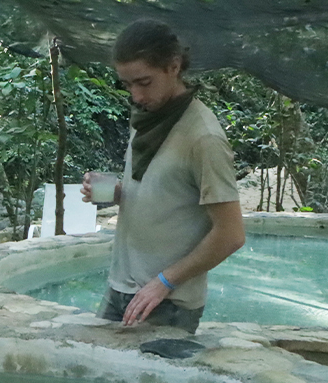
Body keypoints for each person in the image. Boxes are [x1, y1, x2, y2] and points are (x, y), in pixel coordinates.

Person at [82, 19, 245, 332]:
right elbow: (162, 192)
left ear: (174, 66)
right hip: (121, 288)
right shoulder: (147, 117)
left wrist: (164, 282)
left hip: (167, 302)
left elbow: (231, 234)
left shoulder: (204, 137)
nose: (136, 96)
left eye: (144, 82)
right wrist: (116, 192)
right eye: (127, 84)